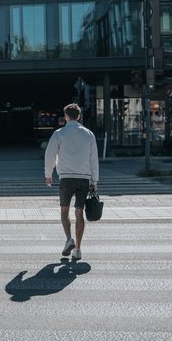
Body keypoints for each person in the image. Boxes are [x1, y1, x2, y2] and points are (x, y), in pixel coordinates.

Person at [44, 103, 99, 260]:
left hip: (66, 178)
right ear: (79, 116)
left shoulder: (59, 133)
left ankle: (69, 239)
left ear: (66, 116)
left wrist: (48, 174)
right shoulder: (89, 134)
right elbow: (93, 159)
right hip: (83, 178)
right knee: (79, 212)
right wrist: (94, 180)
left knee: (64, 211)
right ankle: (78, 250)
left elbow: (50, 154)